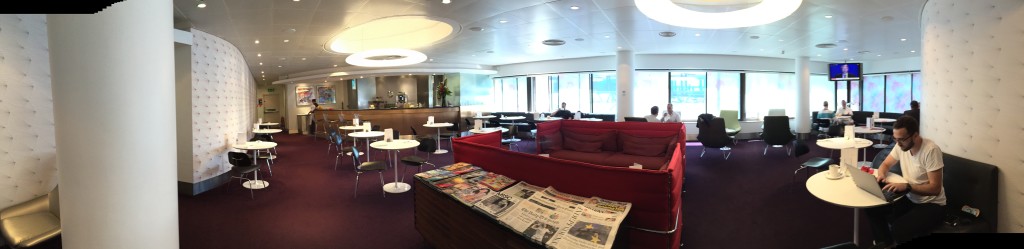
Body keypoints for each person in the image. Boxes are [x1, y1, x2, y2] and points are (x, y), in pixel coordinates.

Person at [865, 116, 946, 248]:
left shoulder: (931, 150)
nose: (898, 143)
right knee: (872, 208)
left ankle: (890, 241)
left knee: (899, 229)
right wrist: (881, 175)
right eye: (895, 139)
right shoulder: (901, 145)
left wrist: (907, 187)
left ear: (915, 135)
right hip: (909, 198)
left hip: (932, 204)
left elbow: (935, 189)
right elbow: (885, 164)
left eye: (901, 139)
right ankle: (885, 243)